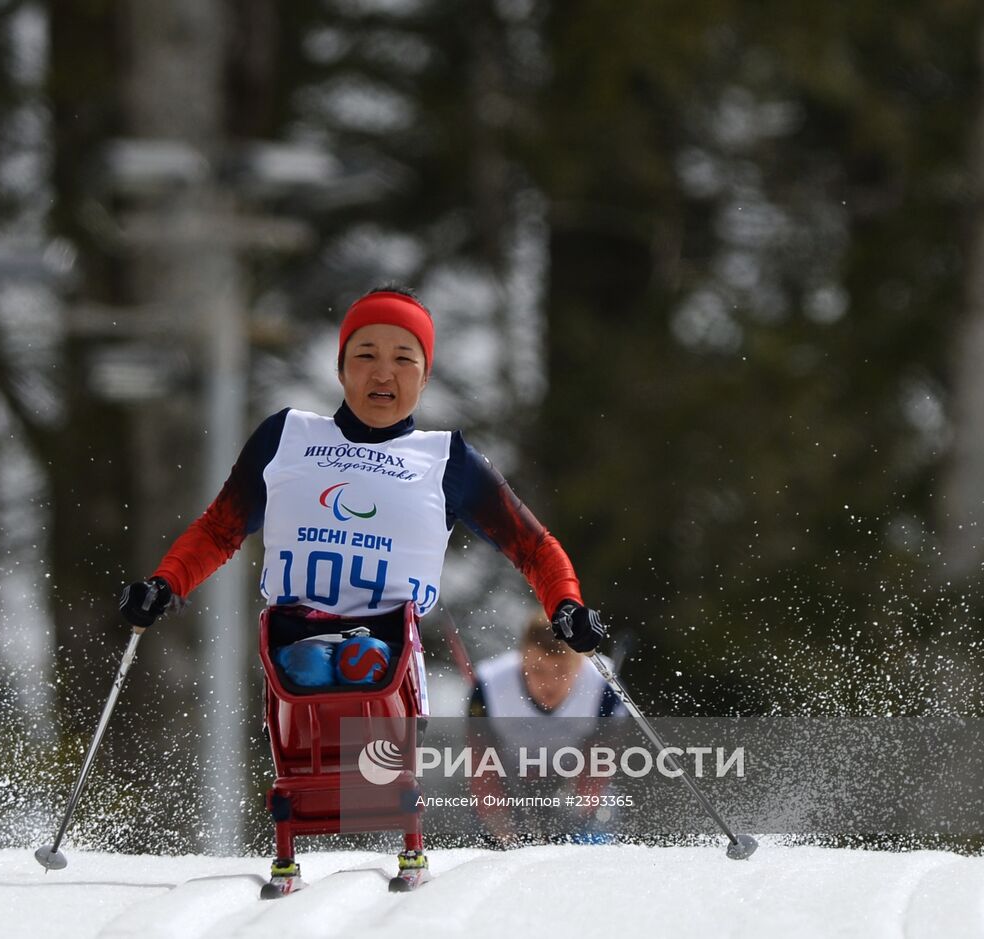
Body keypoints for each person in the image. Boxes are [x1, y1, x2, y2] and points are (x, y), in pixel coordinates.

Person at [118, 285, 607, 893]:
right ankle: (296, 838)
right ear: (341, 366)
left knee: (370, 709)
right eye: (366, 355)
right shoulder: (287, 437)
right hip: (295, 644)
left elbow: (533, 546)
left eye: (405, 358)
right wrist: (166, 583)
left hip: (388, 653)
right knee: (306, 718)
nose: (384, 372)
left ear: (425, 376)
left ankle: (402, 836)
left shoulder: (444, 459)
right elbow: (220, 528)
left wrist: (565, 604)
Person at [466, 611, 624, 847]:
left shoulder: (603, 685)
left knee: (598, 820)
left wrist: (575, 811)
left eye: (561, 672)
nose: (547, 684)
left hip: (573, 783)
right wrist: (503, 828)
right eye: (537, 670)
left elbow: (601, 760)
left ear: (579, 663)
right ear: (522, 658)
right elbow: (480, 760)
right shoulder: (489, 683)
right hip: (509, 782)